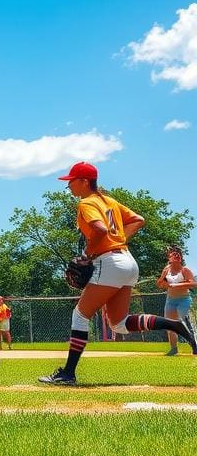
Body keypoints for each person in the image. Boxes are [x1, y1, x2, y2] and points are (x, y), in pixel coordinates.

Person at [40, 162, 197, 386]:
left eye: (71, 181)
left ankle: (68, 373)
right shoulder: (109, 201)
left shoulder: (87, 202)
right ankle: (174, 325)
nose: (69, 187)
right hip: (128, 262)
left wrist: (89, 251)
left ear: (85, 181)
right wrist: (120, 240)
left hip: (110, 262)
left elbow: (100, 230)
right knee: (119, 323)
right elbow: (138, 220)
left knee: (80, 315)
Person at [156, 246, 196, 356]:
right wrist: (163, 276)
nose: (176, 255)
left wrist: (176, 285)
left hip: (184, 300)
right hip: (170, 301)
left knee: (184, 322)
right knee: (170, 324)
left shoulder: (184, 270)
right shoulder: (166, 270)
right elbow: (159, 284)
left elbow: (193, 284)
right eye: (174, 254)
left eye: (178, 255)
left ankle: (194, 345)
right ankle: (173, 348)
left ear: (181, 258)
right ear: (169, 258)